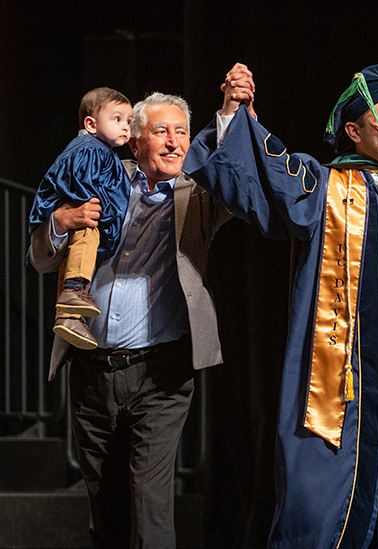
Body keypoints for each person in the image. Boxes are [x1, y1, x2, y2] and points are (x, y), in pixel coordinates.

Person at [186, 62, 378, 547]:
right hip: (342, 384)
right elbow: (262, 175)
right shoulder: (323, 187)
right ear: (354, 131)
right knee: (323, 498)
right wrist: (236, 112)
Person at [28, 86, 256, 547]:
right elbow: (41, 259)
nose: (174, 142)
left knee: (152, 509)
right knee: (105, 510)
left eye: (182, 133)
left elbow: (234, 182)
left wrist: (231, 115)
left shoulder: (198, 196)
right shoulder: (102, 178)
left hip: (162, 376)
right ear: (134, 141)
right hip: (92, 371)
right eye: (161, 132)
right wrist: (60, 222)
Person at [29, 87, 133, 351]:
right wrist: (99, 213)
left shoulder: (99, 150)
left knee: (76, 251)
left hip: (82, 212)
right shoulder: (92, 149)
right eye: (117, 119)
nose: (125, 127)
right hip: (84, 211)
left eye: (129, 121)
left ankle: (69, 317)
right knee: (87, 236)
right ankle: (74, 291)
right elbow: (85, 187)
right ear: (91, 124)